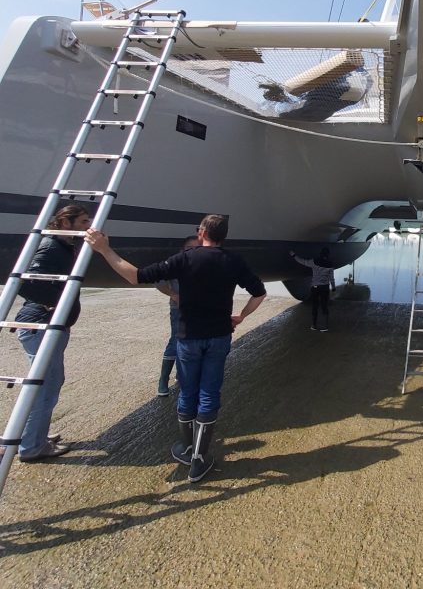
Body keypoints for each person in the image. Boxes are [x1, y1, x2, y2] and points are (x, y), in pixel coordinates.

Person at [85, 215, 266, 483]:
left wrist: (104, 250)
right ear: (224, 235)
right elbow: (260, 292)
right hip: (218, 337)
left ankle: (187, 448)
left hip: (187, 338)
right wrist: (240, 316)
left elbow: (136, 277)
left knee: (187, 391)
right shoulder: (234, 261)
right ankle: (199, 460)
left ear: (202, 232)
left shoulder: (185, 258)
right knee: (209, 394)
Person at [15, 204, 92, 462]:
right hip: (41, 326)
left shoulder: (65, 246)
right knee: (45, 387)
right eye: (82, 222)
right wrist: (53, 303)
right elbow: (25, 282)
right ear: (65, 222)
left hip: (49, 326)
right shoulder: (50, 246)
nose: (87, 226)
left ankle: (29, 438)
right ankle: (32, 447)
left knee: (45, 386)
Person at [155, 235, 200, 397]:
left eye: (198, 248)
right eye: (190, 248)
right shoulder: (176, 263)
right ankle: (163, 380)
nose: (194, 251)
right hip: (179, 308)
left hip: (196, 309)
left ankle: (181, 375)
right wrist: (173, 295)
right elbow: (158, 280)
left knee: (190, 342)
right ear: (183, 249)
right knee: (175, 341)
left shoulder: (202, 263)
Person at [289, 247, 336, 331]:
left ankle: (314, 325)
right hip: (325, 287)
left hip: (315, 288)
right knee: (324, 306)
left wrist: (293, 255)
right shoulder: (330, 264)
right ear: (328, 255)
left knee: (315, 306)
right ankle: (325, 326)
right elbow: (331, 278)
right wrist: (333, 287)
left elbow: (302, 261)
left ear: (320, 254)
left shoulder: (314, 262)